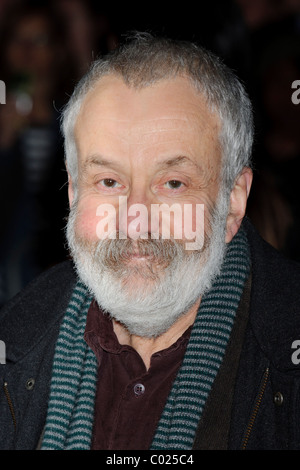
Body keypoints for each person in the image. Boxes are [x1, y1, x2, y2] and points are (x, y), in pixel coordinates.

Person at [1, 33, 300, 451]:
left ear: (233, 202)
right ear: (73, 194)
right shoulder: (13, 339)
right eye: (108, 181)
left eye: (173, 184)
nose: (135, 222)